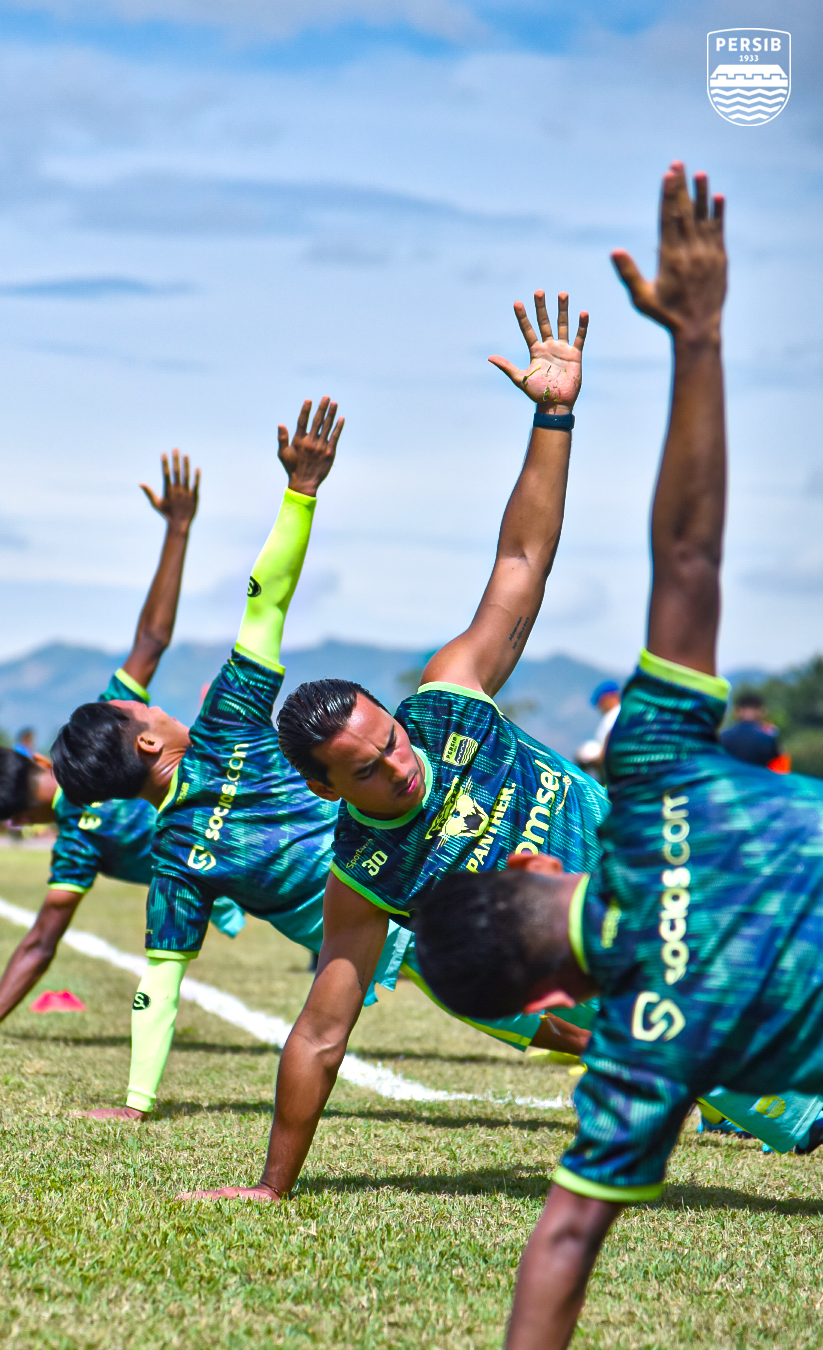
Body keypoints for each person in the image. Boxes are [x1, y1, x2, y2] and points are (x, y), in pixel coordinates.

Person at [412, 163, 823, 1348]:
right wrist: (698, 338)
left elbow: (562, 1244)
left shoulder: (644, 1063)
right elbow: (689, 557)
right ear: (536, 862)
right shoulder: (649, 774)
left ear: (549, 1004)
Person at [183, 292, 609, 1202]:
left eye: (392, 739)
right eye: (369, 769)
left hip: (668, 864)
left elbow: (522, 561)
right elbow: (320, 1032)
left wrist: (553, 416)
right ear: (327, 789)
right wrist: (272, 1186)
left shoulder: (450, 698)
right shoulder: (367, 872)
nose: (400, 764)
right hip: (622, 974)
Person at [51, 400, 584, 1122]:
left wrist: (138, 1101)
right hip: (400, 883)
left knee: (550, 1010)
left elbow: (159, 984)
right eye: (140, 710)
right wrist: (300, 493)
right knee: (579, 991)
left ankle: (685, 1071)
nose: (152, 705)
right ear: (147, 740)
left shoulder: (173, 858)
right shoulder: (226, 723)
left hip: (385, 925)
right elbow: (266, 603)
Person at [0, 452, 245, 1044]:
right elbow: (152, 638)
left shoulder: (75, 847)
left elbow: (41, 942)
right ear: (39, 759)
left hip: (242, 879)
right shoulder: (108, 731)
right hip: (267, 815)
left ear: (17, 821)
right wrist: (178, 528)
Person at [720, 691, 790, 772]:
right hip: (761, 779)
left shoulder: (723, 736)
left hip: (730, 778)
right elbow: (781, 769)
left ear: (737, 710)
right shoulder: (769, 737)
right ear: (762, 711)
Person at [575, 680, 620, 781]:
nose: (599, 707)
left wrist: (593, 760)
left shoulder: (615, 714)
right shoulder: (611, 716)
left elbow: (612, 743)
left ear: (608, 697)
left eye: (600, 702)